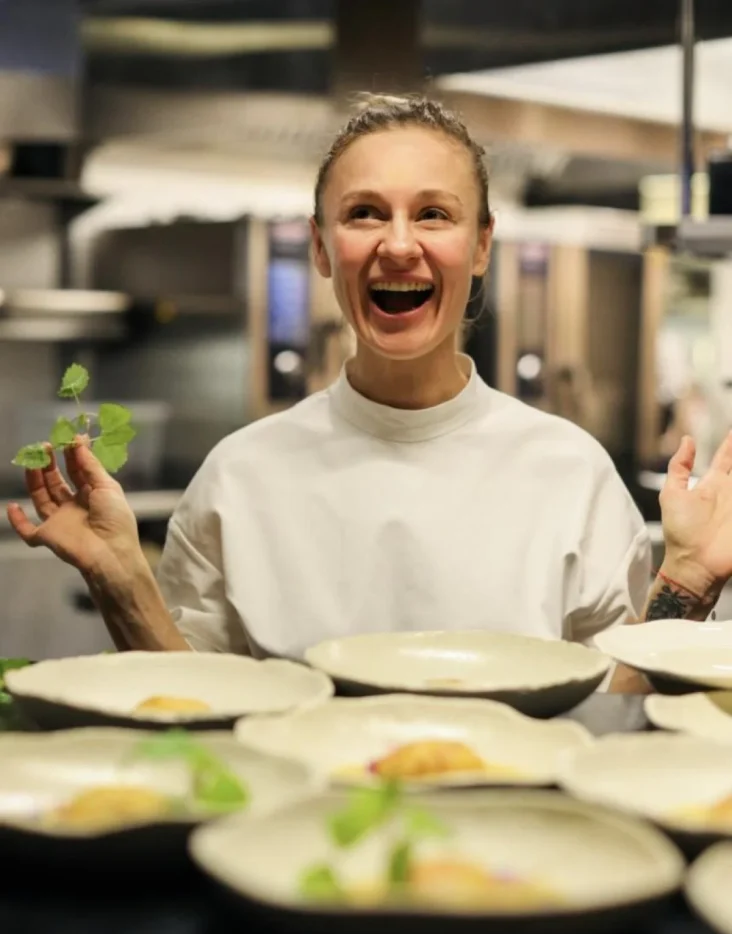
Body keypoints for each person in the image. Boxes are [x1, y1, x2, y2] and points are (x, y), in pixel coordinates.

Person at [7, 95, 732, 693]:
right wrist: (120, 579)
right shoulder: (239, 477)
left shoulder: (571, 474)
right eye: (364, 213)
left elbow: (615, 707)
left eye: (434, 213)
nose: (399, 244)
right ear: (321, 247)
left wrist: (688, 581)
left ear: (482, 245)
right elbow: (192, 709)